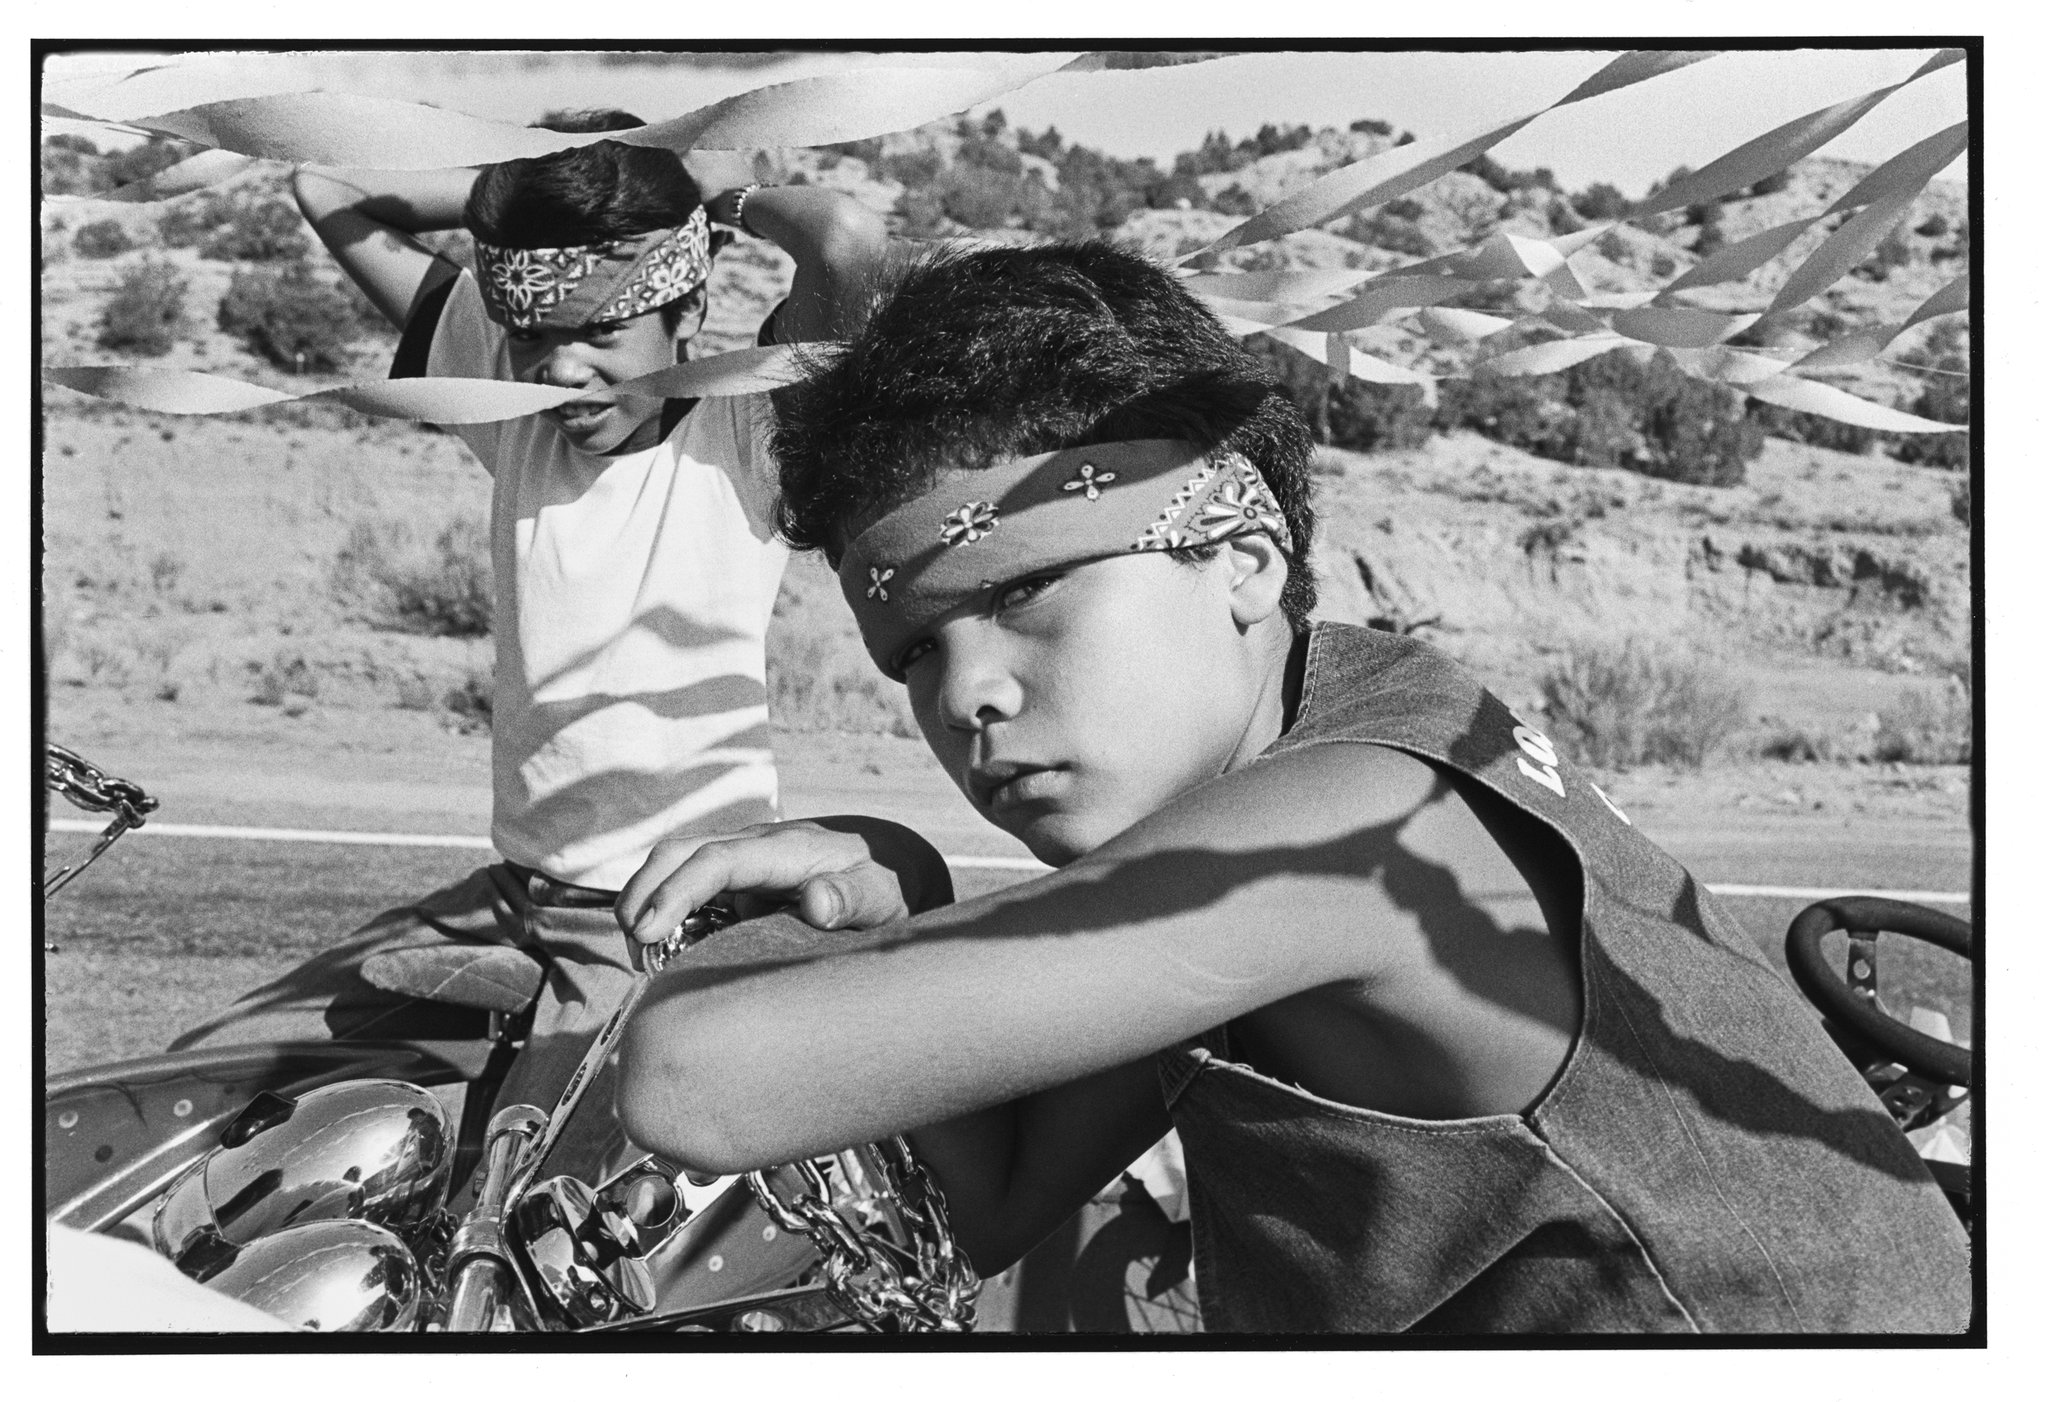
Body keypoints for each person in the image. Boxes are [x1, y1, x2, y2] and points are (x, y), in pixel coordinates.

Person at [610, 240, 1973, 1333]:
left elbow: (697, 1082)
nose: (965, 694)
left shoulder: (1344, 834)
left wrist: (750, 941)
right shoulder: (1307, 733)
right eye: (915, 651)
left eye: (1022, 594)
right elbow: (1003, 1193)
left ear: (1244, 559)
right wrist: (896, 890)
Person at [172, 111, 900, 1180]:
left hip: (658, 912)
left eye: (605, 331)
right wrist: (545, 185)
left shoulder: (748, 432)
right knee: (229, 1086)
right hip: (515, 894)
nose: (564, 370)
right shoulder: (514, 410)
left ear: (690, 304)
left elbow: (840, 238)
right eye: (534, 336)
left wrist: (698, 200)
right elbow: (326, 187)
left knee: (526, 1206)